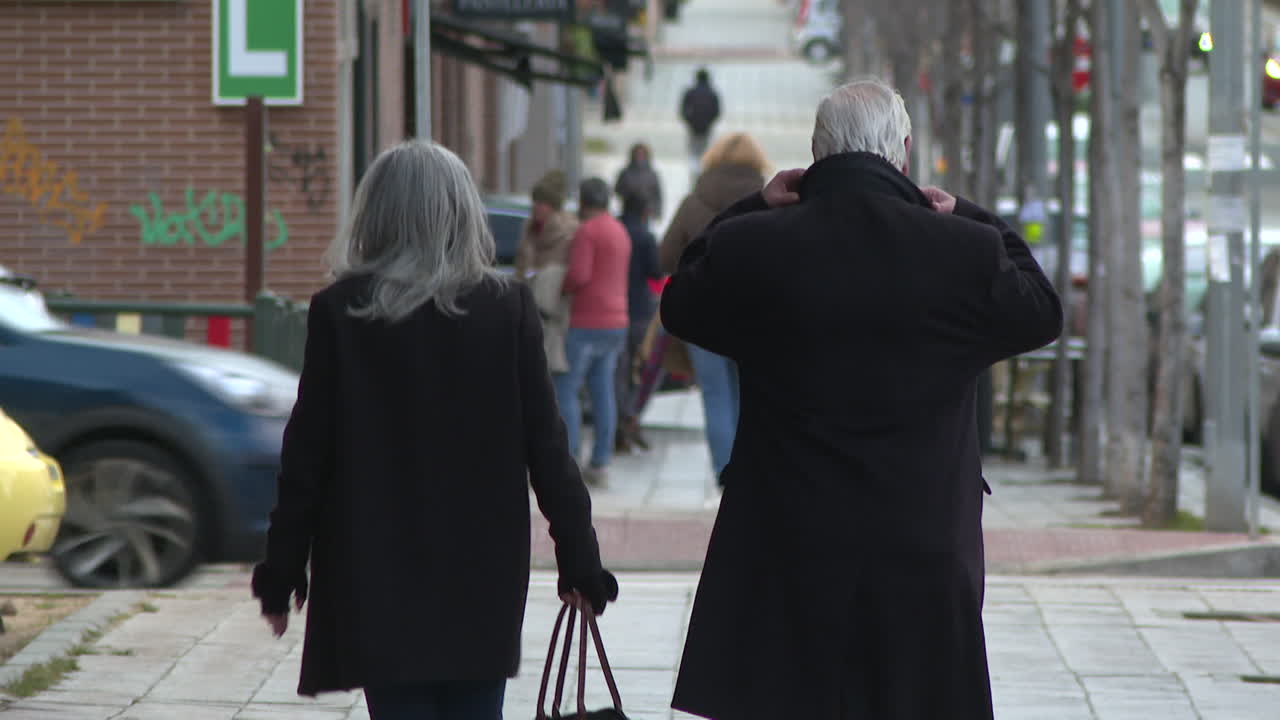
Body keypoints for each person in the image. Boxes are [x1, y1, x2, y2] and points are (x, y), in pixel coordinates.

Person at [662, 79, 1062, 720]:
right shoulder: (962, 252)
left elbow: (680, 299)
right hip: (920, 547)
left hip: (787, 546)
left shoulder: (757, 245)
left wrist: (752, 207)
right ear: (903, 153)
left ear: (816, 155)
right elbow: (1042, 310)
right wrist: (968, 214)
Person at [251, 141, 618, 720]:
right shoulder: (508, 309)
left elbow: (306, 458)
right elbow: (548, 449)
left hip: (378, 574)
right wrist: (581, 563)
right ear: (464, 215)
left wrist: (282, 571)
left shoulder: (342, 311)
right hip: (482, 577)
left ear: (376, 216)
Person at [660, 132, 769, 493]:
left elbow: (664, 256)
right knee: (747, 394)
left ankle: (725, 474)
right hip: (754, 317)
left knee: (715, 395)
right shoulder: (772, 201)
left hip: (703, 313)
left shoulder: (695, 202)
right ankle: (748, 467)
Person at [556, 178, 632, 488]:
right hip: (617, 321)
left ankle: (569, 458)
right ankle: (601, 460)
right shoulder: (619, 231)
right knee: (603, 391)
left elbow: (579, 274)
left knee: (566, 388)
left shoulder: (587, 232)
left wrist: (559, 286)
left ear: (583, 202)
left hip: (587, 319)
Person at [516, 170, 579, 373]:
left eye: (541, 202)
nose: (535, 206)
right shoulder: (529, 228)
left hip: (553, 312)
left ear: (552, 206)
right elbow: (521, 267)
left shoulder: (568, 230)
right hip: (527, 306)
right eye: (534, 201)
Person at [615, 190, 663, 453]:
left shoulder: (616, 229)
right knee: (644, 370)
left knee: (618, 373)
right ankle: (631, 418)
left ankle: (622, 425)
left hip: (616, 308)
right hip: (640, 313)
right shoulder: (645, 236)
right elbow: (655, 271)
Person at [680, 68, 721, 173]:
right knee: (706, 152)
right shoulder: (712, 93)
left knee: (693, 153)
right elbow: (716, 112)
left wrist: (690, 122)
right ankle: (703, 173)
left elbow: (683, 110)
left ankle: (694, 175)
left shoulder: (690, 92)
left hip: (693, 128)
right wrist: (709, 123)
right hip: (706, 128)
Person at [614, 142, 663, 223]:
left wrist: (657, 213)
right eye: (637, 154)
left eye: (642, 154)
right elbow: (617, 190)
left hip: (645, 213)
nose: (639, 156)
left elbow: (658, 195)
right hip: (628, 211)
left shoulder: (652, 174)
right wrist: (628, 192)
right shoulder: (625, 172)